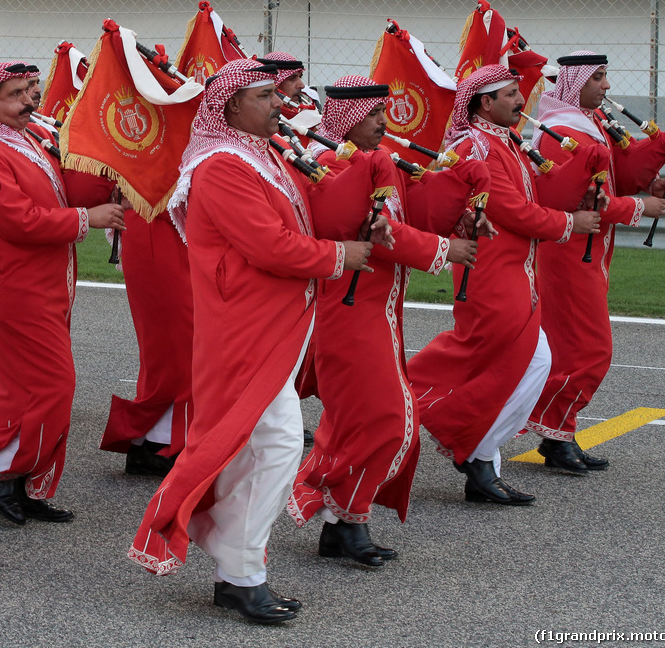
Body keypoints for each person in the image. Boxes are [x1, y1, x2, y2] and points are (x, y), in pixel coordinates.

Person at [128, 59, 373, 625]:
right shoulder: (221, 166)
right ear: (233, 106)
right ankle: (237, 568)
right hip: (244, 328)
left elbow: (307, 214)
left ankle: (236, 566)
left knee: (254, 446)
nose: (278, 105)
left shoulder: (260, 152)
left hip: (272, 323)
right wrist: (340, 257)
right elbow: (271, 246)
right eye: (265, 96)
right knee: (280, 440)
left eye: (276, 95)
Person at [288, 76, 479, 567]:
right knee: (388, 419)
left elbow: (407, 213)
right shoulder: (329, 169)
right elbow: (384, 233)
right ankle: (328, 501)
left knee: (361, 420)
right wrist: (445, 251)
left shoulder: (374, 164)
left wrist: (465, 194)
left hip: (378, 313)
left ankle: (343, 525)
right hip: (348, 316)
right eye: (374, 116)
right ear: (350, 119)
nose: (383, 123)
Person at [0, 63, 125, 526]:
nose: (29, 102)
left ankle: (28, 480)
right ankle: (3, 469)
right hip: (18, 281)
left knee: (17, 383)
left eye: (31, 91)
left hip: (49, 277)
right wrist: (86, 219)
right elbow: (17, 218)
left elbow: (63, 186)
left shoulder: (29, 135)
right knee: (55, 383)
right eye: (16, 94)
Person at [405, 65, 600, 507]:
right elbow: (512, 211)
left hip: (514, 270)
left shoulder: (505, 142)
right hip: (488, 271)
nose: (520, 101)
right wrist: (571, 223)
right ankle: (458, 436)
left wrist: (584, 191)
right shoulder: (478, 147)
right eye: (511, 94)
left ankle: (478, 456)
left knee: (519, 361)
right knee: (525, 360)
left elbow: (534, 198)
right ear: (484, 103)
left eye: (519, 92)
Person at [526, 52, 665, 472]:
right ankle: (552, 431)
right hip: (565, 254)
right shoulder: (559, 133)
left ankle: (556, 431)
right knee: (591, 348)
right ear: (576, 84)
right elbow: (572, 202)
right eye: (598, 77)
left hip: (588, 253)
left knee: (572, 348)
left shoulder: (588, 126)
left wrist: (652, 184)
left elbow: (606, 184)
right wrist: (639, 206)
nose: (607, 86)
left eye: (606, 76)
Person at [99, 207, 192, 478]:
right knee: (173, 345)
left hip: (173, 228)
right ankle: (157, 444)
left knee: (181, 345)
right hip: (158, 227)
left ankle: (159, 440)